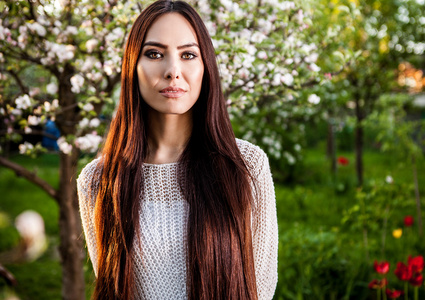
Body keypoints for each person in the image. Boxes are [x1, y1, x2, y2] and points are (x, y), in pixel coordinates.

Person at [77, 1, 277, 299]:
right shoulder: (99, 180)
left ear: (205, 67)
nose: (173, 71)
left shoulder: (246, 166)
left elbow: (260, 288)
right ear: (133, 67)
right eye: (154, 54)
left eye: (188, 55)